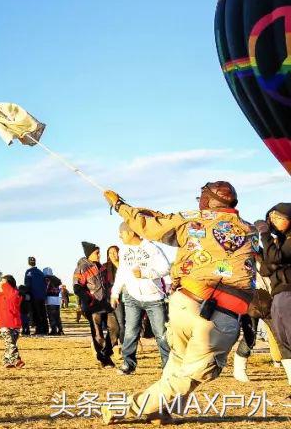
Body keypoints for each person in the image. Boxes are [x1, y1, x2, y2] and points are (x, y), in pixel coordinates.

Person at [101, 181, 257, 424]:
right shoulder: (249, 230)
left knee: (178, 362)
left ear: (206, 201)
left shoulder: (192, 219)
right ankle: (129, 409)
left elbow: (151, 225)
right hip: (223, 314)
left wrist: (120, 205)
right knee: (191, 374)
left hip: (185, 303)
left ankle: (161, 410)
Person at [109, 222, 171, 375]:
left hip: (154, 298)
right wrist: (115, 293)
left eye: (121, 233)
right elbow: (122, 273)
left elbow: (166, 268)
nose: (120, 236)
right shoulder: (124, 251)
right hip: (131, 296)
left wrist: (145, 273)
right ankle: (128, 364)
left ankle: (168, 366)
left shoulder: (152, 248)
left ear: (130, 233)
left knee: (161, 333)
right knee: (130, 331)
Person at [258, 201, 291, 394]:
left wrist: (264, 234)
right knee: (283, 341)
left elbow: (276, 258)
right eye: (271, 218)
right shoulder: (278, 241)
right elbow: (265, 267)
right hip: (278, 293)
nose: (273, 222)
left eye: (278, 218)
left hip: (288, 292)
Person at [74, 241, 114, 368]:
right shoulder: (82, 268)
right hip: (93, 305)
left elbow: (107, 284)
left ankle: (106, 352)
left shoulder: (101, 267)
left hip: (106, 304)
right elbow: (77, 287)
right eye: (97, 253)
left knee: (115, 328)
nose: (99, 255)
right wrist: (88, 300)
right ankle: (104, 359)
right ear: (89, 254)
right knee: (98, 333)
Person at [0, 274, 24, 368]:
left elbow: (12, 300)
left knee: (9, 344)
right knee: (10, 343)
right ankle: (16, 359)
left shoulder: (15, 295)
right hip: (3, 324)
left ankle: (6, 361)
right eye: (0, 283)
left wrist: (6, 287)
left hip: (15, 324)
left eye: (3, 283)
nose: (0, 284)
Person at [24, 258, 48, 335]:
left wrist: (26, 293)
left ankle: (39, 329)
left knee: (36, 313)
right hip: (42, 296)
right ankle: (45, 329)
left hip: (34, 295)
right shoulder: (40, 272)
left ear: (28, 263)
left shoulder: (29, 272)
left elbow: (27, 284)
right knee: (43, 312)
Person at [43, 268, 64, 335]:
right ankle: (60, 330)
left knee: (51, 316)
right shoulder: (57, 279)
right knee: (57, 315)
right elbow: (60, 288)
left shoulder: (47, 279)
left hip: (50, 299)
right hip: (57, 299)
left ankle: (53, 330)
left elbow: (46, 289)